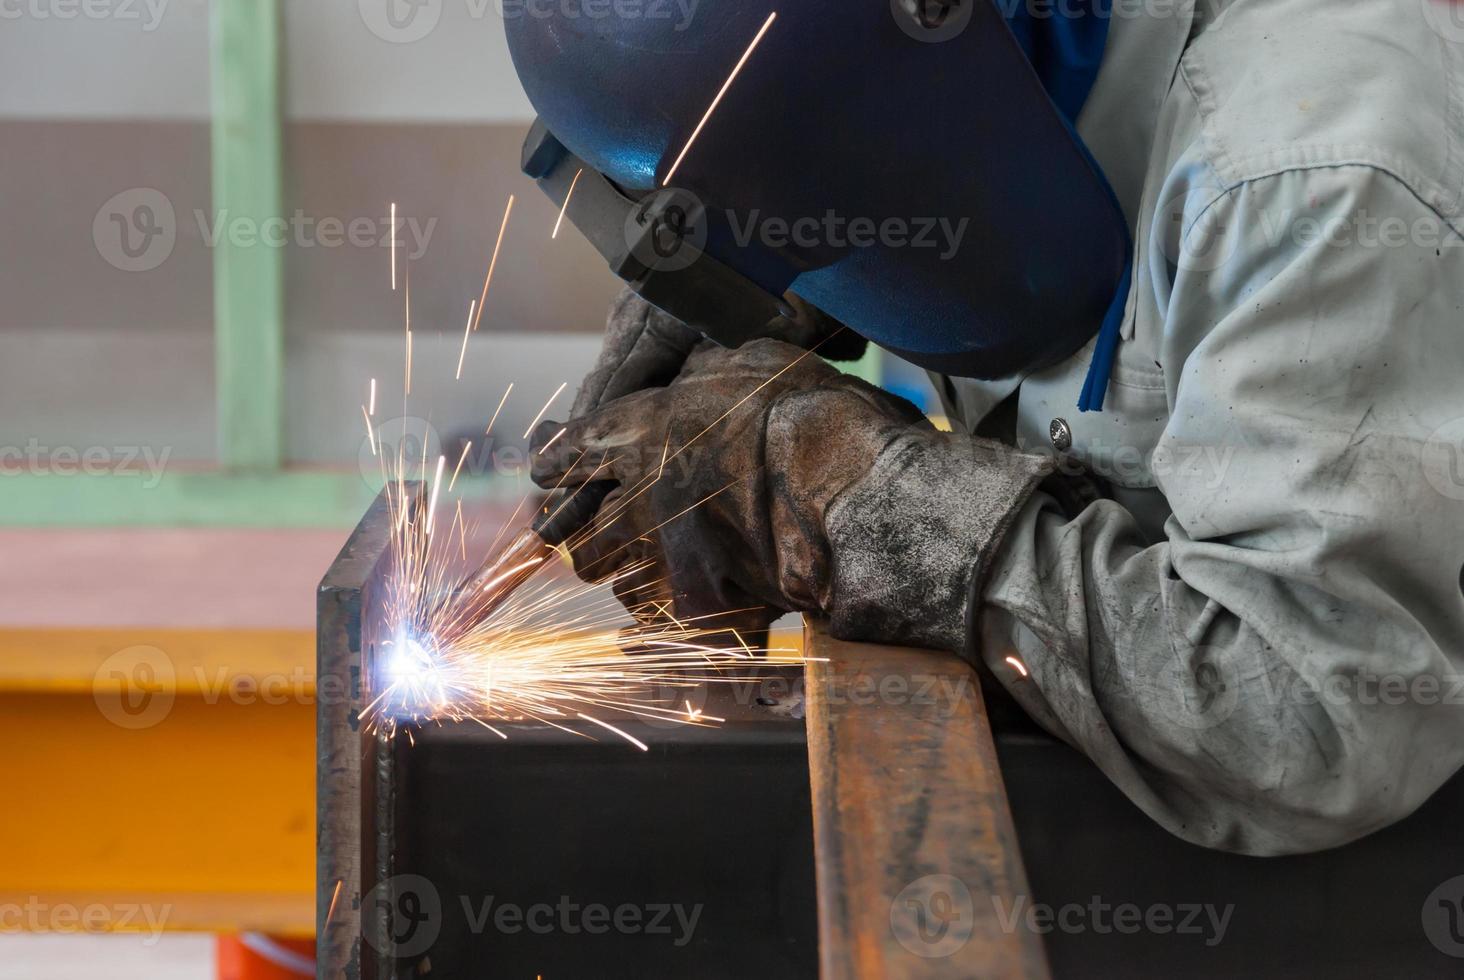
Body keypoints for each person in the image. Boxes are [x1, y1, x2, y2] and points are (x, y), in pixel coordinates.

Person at [530, 0, 1464, 856]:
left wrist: (852, 497)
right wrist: (754, 269)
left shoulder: (1310, 178)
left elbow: (1308, 719)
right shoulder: (966, 70)